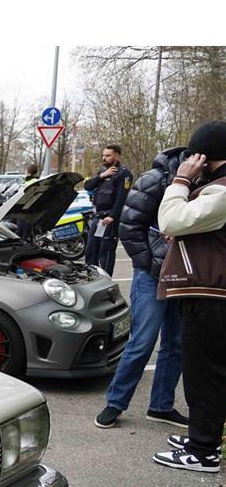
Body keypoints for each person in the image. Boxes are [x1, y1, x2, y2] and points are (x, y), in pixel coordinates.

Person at [94, 145, 189, 431]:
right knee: (142, 341)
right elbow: (129, 224)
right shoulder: (155, 179)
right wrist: (148, 263)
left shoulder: (206, 183)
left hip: (184, 276)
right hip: (152, 274)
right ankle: (115, 402)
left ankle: (161, 406)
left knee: (176, 343)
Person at [152, 121, 226, 474]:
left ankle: (203, 451)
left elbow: (170, 220)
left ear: (204, 155)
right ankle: (203, 437)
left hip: (212, 297)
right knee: (202, 371)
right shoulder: (215, 188)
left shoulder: (222, 190)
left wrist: (181, 180)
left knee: (205, 373)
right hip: (210, 293)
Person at [83, 144, 134, 275]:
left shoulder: (124, 174)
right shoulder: (102, 171)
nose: (104, 158)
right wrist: (102, 175)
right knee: (90, 250)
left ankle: (105, 281)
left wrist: (113, 216)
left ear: (117, 156)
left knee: (105, 252)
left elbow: (122, 198)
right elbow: (87, 186)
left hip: (109, 219)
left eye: (108, 155)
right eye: (103, 155)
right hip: (98, 217)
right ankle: (91, 277)